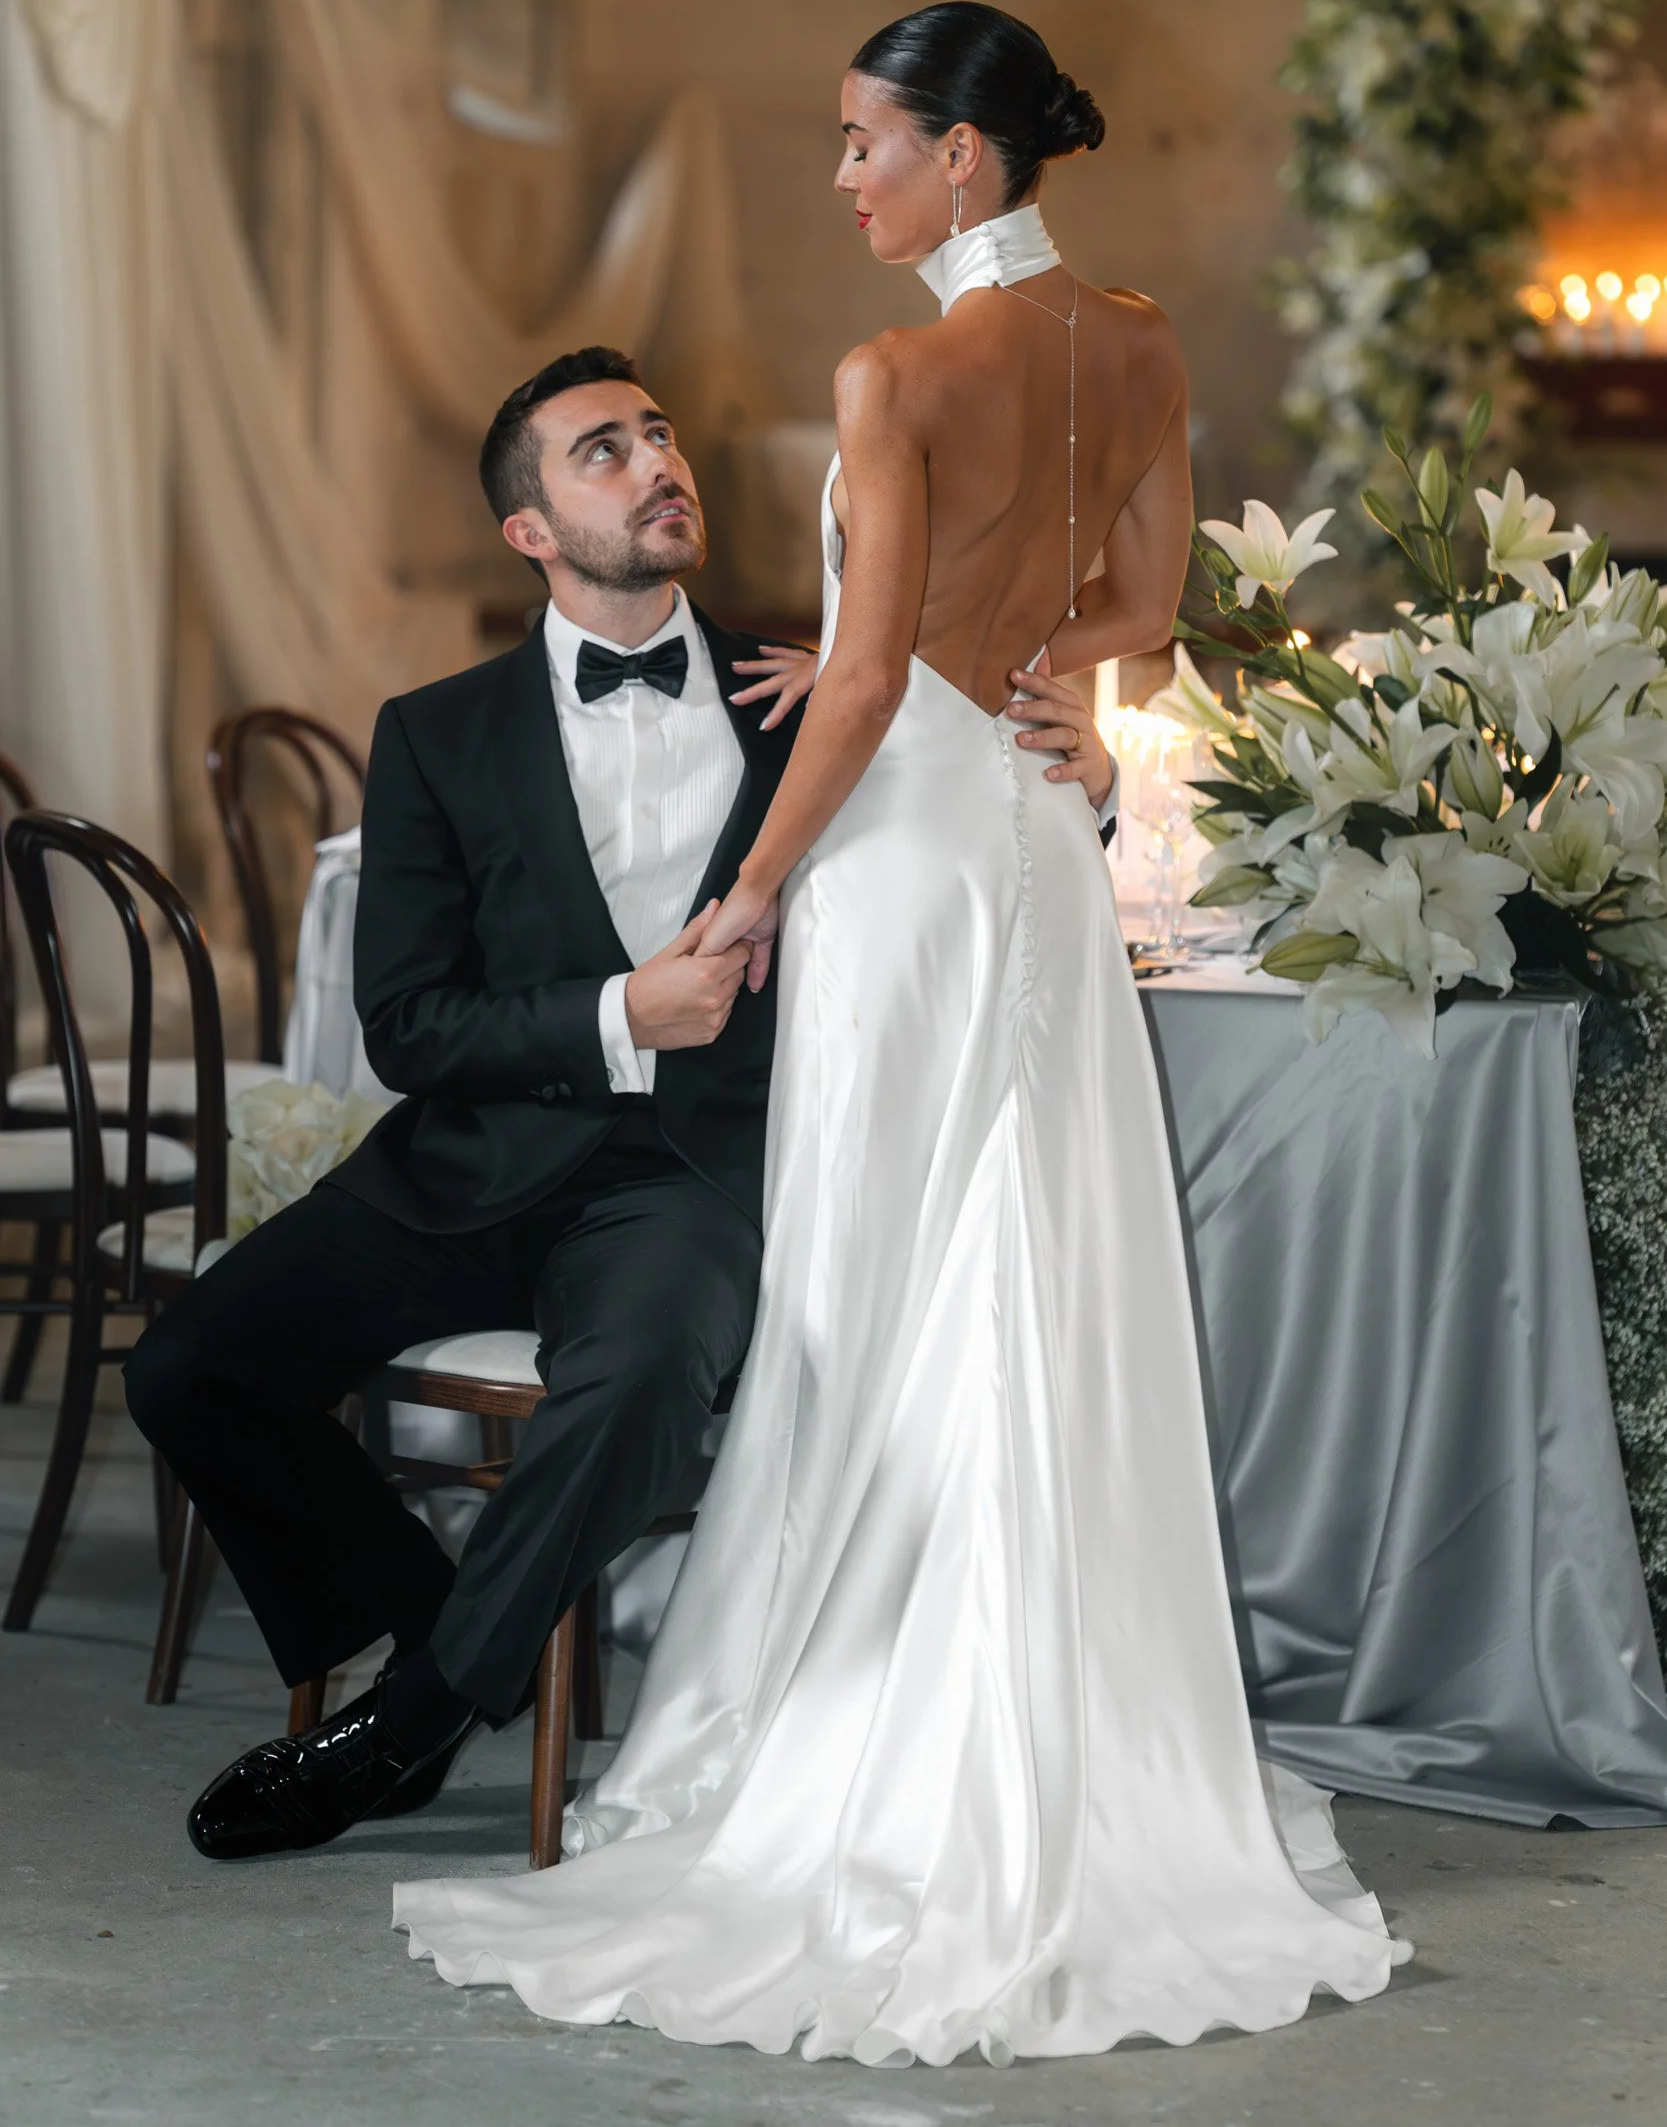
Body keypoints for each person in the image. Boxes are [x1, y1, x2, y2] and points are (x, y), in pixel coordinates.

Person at [393, 3, 1407, 2062]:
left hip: (895, 861)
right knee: (1030, 1251)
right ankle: (1065, 1723)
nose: (842, 174)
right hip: (1030, 842)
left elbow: (853, 691)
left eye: (867, 142)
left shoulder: (891, 367)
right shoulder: (1131, 331)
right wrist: (1037, 668)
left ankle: (879, 1716)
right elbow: (1140, 600)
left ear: (965, 157)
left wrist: (752, 887)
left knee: (882, 1271)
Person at [124, 341, 1118, 1858]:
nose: (658, 464)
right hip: (458, 1167)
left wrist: (1086, 775)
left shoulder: (815, 689)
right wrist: (615, 1012)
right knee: (190, 1364)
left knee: (642, 1380)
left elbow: (992, 848)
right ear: (529, 529)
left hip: (684, 1180)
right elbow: (404, 1025)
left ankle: (411, 1725)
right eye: (603, 450)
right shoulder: (433, 734)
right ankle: (440, 1626)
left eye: (659, 435)